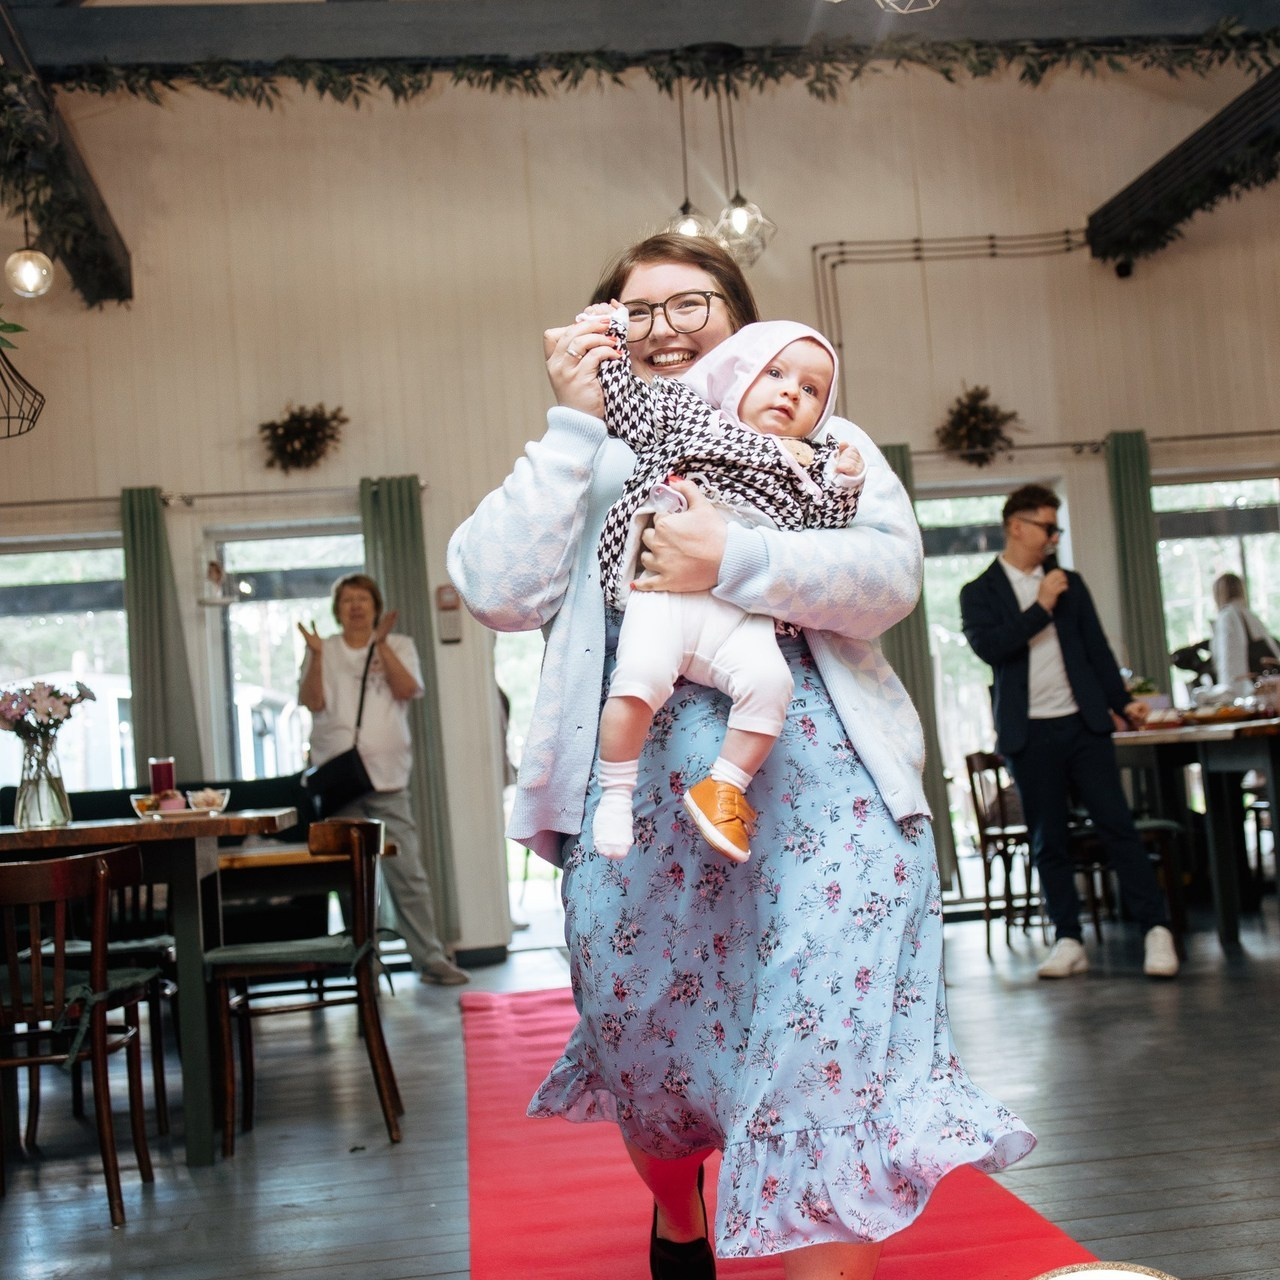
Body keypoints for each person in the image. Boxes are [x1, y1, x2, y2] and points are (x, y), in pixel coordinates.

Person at [447, 233, 1032, 1280]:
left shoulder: (824, 435)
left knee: (824, 1070)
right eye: (637, 310)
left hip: (828, 812)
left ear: (743, 317)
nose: (665, 327)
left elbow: (888, 577)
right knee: (652, 1068)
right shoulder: (585, 457)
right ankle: (678, 1213)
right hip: (640, 823)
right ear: (602, 332)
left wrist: (737, 557)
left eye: (692, 303)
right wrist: (570, 422)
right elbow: (493, 588)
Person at [586, 304, 865, 862]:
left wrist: (845, 477)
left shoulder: (813, 460)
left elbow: (831, 525)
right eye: (776, 374)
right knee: (636, 679)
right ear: (740, 372)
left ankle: (724, 786)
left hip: (743, 612)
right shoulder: (690, 416)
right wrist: (611, 337)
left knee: (770, 684)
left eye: (811, 390)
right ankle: (615, 794)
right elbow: (625, 399)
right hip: (666, 594)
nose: (791, 394)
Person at [959, 484, 1179, 981]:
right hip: (1028, 736)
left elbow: (1097, 653)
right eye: (1047, 526)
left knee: (1117, 826)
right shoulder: (979, 592)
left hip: (1084, 728)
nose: (1055, 537)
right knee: (1048, 840)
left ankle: (1156, 930)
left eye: (1057, 528)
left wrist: (1124, 704)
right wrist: (1039, 607)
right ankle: (1068, 939)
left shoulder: (1070, 584)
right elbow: (992, 650)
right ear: (1017, 526)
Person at [298, 573, 468, 986]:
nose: (355, 606)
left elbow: (408, 689)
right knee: (353, 880)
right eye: (347, 600)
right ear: (337, 609)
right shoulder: (324, 649)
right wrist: (317, 656)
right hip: (341, 785)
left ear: (375, 607)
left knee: (407, 873)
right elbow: (311, 701)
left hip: (389, 781)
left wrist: (380, 645)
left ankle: (429, 959)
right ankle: (364, 965)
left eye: (363, 599)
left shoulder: (400, 645)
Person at [1210, 572, 1280, 694]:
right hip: (1264, 687)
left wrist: (1229, 693)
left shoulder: (1227, 617)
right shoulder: (1249, 615)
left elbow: (1228, 661)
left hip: (1247, 690)